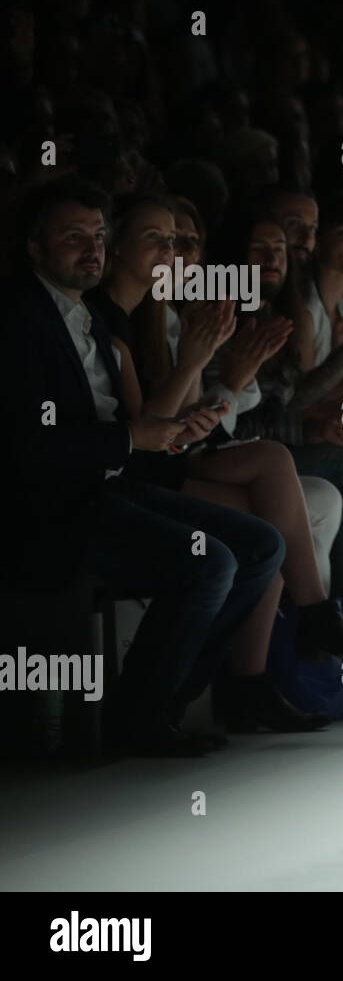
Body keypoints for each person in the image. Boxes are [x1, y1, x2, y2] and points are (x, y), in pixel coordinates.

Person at [3, 177, 286, 756]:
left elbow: (139, 429)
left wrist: (178, 428)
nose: (91, 248)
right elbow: (30, 446)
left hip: (112, 489)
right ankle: (142, 713)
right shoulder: (18, 319)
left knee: (261, 547)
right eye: (73, 236)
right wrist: (134, 436)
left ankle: (166, 697)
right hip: (52, 505)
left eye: (98, 236)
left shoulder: (89, 321)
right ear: (34, 247)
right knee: (211, 563)